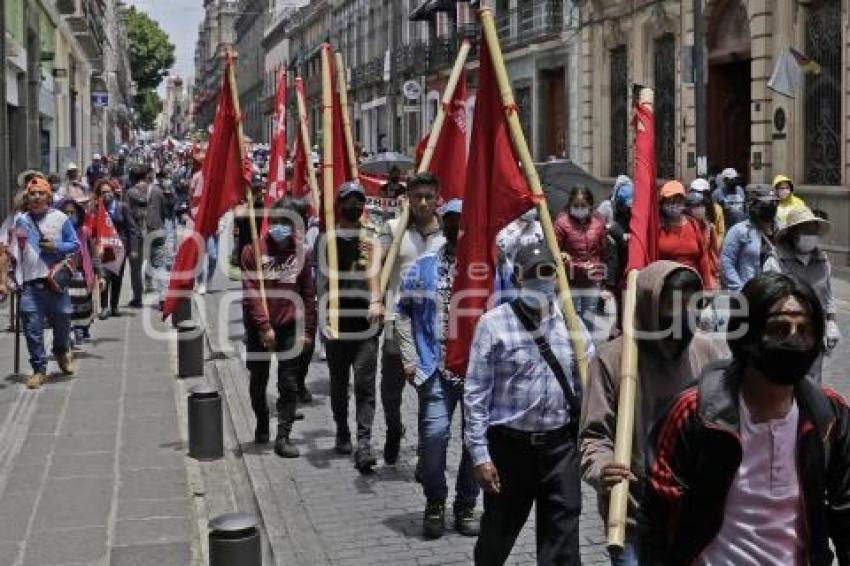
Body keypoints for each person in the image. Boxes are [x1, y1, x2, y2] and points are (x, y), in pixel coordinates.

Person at [642, 272, 850, 565]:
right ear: (747, 334)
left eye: (804, 329)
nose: (794, 339)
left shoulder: (830, 417)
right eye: (779, 328)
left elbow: (845, 511)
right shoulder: (694, 413)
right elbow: (656, 520)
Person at [580, 261, 726, 565]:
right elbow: (594, 435)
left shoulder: (708, 354)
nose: (683, 317)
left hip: (695, 518)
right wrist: (604, 467)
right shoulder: (612, 361)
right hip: (634, 517)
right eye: (673, 307)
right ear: (650, 306)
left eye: (691, 306)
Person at [464, 242, 595, 566]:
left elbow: (589, 386)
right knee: (497, 536)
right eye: (533, 274)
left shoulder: (573, 326)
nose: (541, 280)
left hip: (560, 449)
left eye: (547, 272)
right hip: (510, 450)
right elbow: (476, 393)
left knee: (562, 544)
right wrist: (479, 455)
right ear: (519, 278)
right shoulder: (493, 325)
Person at [395, 199, 479, 539]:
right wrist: (409, 357)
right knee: (432, 440)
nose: (458, 228)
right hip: (435, 369)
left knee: (475, 441)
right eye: (452, 221)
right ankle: (435, 501)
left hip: (477, 373)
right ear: (443, 224)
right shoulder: (423, 267)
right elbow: (403, 312)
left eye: (464, 221)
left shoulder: (487, 265)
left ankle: (466, 505)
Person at [379, 172, 446, 465]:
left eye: (428, 197)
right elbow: (372, 266)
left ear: (436, 199)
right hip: (397, 320)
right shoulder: (393, 230)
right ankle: (394, 429)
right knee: (391, 392)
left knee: (427, 392)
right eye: (416, 196)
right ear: (407, 198)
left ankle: (424, 449)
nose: (422, 203)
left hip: (432, 327)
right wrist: (374, 299)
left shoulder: (448, 234)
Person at [241, 198, 317, 458]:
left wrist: (308, 331)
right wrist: (263, 327)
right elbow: (250, 292)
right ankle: (262, 421)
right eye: (276, 221)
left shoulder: (303, 254)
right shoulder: (252, 251)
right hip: (258, 327)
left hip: (289, 326)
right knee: (258, 381)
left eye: (286, 222)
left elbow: (309, 295)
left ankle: (283, 436)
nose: (280, 226)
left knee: (288, 383)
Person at [317, 181, 384, 473]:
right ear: (339, 205)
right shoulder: (326, 241)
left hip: (366, 327)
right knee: (339, 384)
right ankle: (342, 429)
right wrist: (323, 324)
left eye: (359, 201)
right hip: (336, 326)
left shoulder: (371, 237)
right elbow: (319, 284)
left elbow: (380, 274)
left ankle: (364, 442)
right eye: (349, 201)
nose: (354, 206)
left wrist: (378, 302)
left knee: (365, 385)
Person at [9, 177, 80, 388]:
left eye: (41, 193)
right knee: (32, 329)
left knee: (63, 320)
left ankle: (60, 351)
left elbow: (74, 244)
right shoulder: (20, 221)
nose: (37, 197)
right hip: (30, 283)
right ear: (27, 197)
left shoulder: (59, 218)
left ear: (48, 196)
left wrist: (56, 247)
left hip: (54, 283)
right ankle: (39, 369)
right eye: (33, 194)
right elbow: (13, 250)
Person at [764, 207, 839, 381]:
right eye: (805, 230)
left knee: (813, 382)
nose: (810, 235)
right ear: (792, 232)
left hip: (814, 333)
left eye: (813, 230)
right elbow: (769, 300)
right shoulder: (775, 261)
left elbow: (828, 295)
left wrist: (831, 323)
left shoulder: (822, 260)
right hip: (786, 334)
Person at [554, 186, 608, 335]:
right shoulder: (561, 223)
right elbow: (556, 254)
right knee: (571, 319)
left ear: (590, 205)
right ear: (570, 204)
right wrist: (577, 266)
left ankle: (588, 354)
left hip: (592, 280)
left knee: (588, 319)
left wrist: (601, 277)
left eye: (583, 205)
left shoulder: (598, 222)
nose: (579, 209)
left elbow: (603, 252)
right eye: (576, 206)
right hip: (569, 281)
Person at [657, 180, 716, 289]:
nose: (673, 205)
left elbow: (703, 257)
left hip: (693, 284)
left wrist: (707, 285)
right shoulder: (658, 227)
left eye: (677, 201)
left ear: (684, 202)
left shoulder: (693, 224)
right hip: (666, 285)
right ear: (662, 204)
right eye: (669, 201)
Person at [720, 185, 779, 291]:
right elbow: (726, 262)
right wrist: (738, 289)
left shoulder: (781, 230)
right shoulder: (739, 231)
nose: (771, 206)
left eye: (774, 202)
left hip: (774, 292)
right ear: (753, 205)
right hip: (748, 291)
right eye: (766, 204)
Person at [57, 198, 97, 346]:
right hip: (62, 276)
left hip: (81, 276)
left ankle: (80, 329)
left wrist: (100, 275)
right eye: (66, 212)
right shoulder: (56, 233)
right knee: (66, 307)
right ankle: (69, 332)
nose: (69, 215)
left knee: (82, 308)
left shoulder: (84, 232)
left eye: (72, 212)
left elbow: (93, 255)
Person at [95, 179, 137, 319]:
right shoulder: (98, 209)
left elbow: (132, 229)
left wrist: (133, 249)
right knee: (104, 277)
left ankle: (114, 306)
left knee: (117, 278)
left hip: (119, 248)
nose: (106, 195)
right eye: (103, 193)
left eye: (108, 192)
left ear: (114, 192)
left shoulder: (122, 207)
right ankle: (104, 307)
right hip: (104, 248)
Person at [124, 164, 149, 307]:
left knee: (136, 268)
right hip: (154, 231)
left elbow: (127, 215)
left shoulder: (129, 193)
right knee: (157, 265)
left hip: (136, 235)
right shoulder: (154, 190)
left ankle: (138, 297)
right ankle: (162, 299)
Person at [689, 178, 725, 244]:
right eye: (694, 192)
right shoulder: (688, 208)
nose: (697, 195)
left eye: (700, 192)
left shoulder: (717, 209)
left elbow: (720, 233)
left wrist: (715, 247)